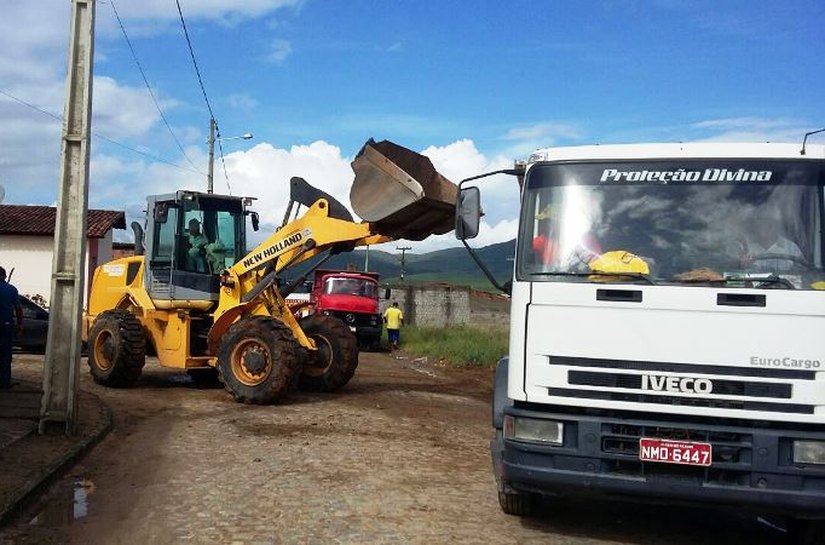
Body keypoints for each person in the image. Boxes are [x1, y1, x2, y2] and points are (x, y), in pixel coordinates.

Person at [738, 211, 804, 273]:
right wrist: (742, 265)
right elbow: (736, 272)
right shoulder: (746, 247)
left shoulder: (791, 248)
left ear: (777, 225)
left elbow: (803, 272)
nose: (767, 227)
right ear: (755, 226)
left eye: (771, 223)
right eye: (762, 223)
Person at [0, 266, 23, 389]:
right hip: (6, 325)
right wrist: (20, 324)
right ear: (4, 276)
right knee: (5, 354)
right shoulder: (11, 289)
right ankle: (4, 382)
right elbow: (18, 309)